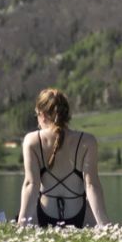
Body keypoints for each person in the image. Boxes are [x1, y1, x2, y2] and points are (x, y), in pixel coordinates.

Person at [18, 88, 109, 227]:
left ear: (42, 115)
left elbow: (31, 184)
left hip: (45, 218)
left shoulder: (32, 140)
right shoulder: (87, 141)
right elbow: (91, 185)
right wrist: (105, 226)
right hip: (79, 219)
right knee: (89, 205)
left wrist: (21, 225)